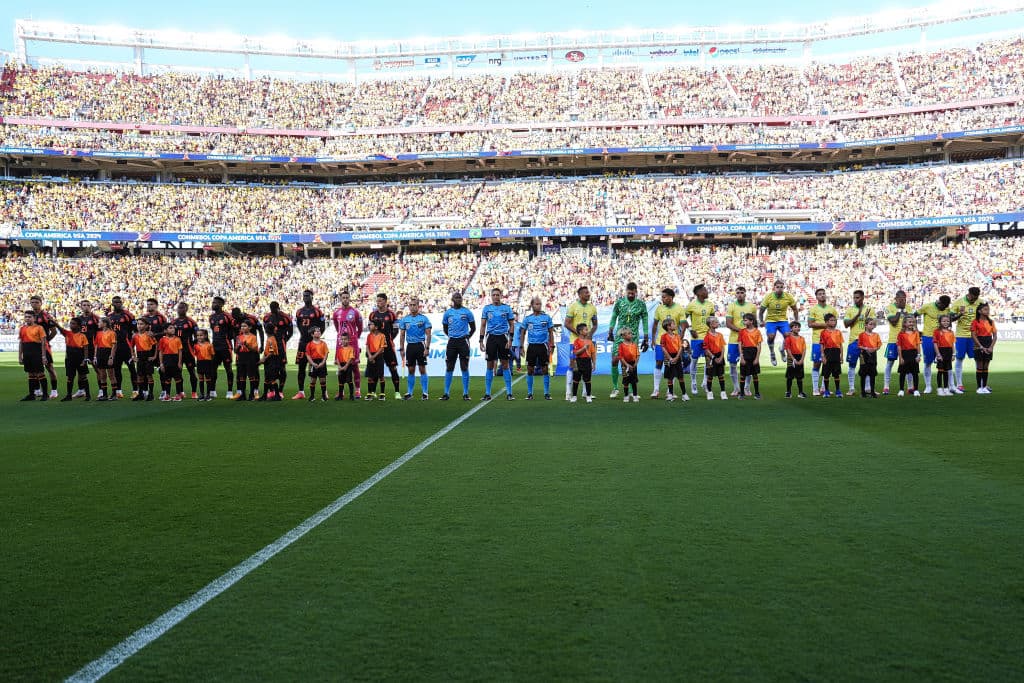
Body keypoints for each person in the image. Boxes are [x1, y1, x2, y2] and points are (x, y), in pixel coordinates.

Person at [607, 282, 649, 398]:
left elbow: (645, 320)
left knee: (631, 362)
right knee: (615, 360)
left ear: (636, 292)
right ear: (626, 291)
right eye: (629, 293)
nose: (631, 294)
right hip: (619, 337)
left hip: (633, 337)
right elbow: (614, 316)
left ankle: (631, 390)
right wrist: (610, 330)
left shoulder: (641, 304)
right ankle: (615, 388)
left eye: (633, 293)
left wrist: (646, 337)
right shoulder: (620, 303)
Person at [563, 286, 598, 401]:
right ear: (580, 295)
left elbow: (595, 324)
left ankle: (585, 393)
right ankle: (568, 393)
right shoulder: (573, 306)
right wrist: (578, 334)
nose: (588, 294)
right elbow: (567, 323)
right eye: (586, 293)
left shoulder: (592, 308)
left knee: (586, 366)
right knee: (573, 365)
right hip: (574, 341)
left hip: (587, 342)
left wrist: (590, 334)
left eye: (589, 292)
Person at [479, 288, 515, 401]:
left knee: (505, 364)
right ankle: (487, 393)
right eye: (493, 295)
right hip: (491, 338)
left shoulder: (506, 308)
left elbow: (512, 325)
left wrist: (510, 340)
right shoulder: (487, 309)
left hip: (503, 338)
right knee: (489, 365)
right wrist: (481, 340)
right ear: (491, 296)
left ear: (501, 296)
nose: (495, 297)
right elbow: (483, 325)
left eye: (497, 295)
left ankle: (509, 393)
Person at [650, 287, 685, 398]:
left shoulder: (679, 308)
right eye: (662, 297)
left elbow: (683, 324)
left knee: (672, 365)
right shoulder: (659, 308)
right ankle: (656, 390)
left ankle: (670, 392)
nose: (663, 299)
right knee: (659, 363)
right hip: (661, 341)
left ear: (670, 297)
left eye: (664, 297)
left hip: (674, 342)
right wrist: (652, 338)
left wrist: (681, 337)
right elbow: (655, 324)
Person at [682, 284, 715, 396]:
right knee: (694, 360)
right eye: (705, 290)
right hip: (696, 338)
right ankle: (693, 382)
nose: (707, 291)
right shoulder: (691, 305)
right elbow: (682, 319)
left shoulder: (710, 305)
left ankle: (705, 382)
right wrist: (690, 329)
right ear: (699, 293)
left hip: (708, 337)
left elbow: (713, 320)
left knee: (708, 360)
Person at [441, 292, 475, 401]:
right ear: (452, 299)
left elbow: (473, 327)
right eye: (456, 297)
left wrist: (466, 337)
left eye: (460, 297)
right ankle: (446, 393)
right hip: (452, 342)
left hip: (463, 342)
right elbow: (445, 328)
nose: (459, 299)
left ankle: (465, 393)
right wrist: (452, 336)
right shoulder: (448, 313)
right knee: (449, 367)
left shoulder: (467, 312)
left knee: (464, 366)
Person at [519, 297, 555, 401]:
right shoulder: (527, 318)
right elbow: (522, 332)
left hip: (543, 346)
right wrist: (521, 346)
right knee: (530, 369)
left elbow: (551, 332)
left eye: (540, 304)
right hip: (532, 346)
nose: (538, 306)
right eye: (536, 304)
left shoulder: (547, 317)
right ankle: (530, 393)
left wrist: (552, 345)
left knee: (545, 369)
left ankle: (546, 393)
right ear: (532, 305)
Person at [293, 289, 326, 400]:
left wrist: (316, 337)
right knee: (301, 368)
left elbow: (322, 326)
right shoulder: (299, 312)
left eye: (308, 295)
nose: (305, 297)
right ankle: (301, 392)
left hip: (315, 344)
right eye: (304, 295)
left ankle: (323, 392)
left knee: (319, 368)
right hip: (303, 343)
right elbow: (298, 324)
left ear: (312, 297)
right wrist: (304, 334)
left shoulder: (317, 311)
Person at [950, 287, 984, 392]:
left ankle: (982, 384)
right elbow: (950, 318)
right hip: (962, 335)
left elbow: (984, 316)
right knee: (960, 358)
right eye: (973, 298)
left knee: (979, 359)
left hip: (976, 336)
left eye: (976, 298)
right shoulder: (958, 302)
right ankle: (959, 384)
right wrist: (960, 314)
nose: (974, 300)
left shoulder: (981, 302)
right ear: (968, 294)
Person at [368, 293, 402, 399]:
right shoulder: (372, 315)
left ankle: (397, 392)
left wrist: (389, 339)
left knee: (393, 368)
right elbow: (370, 328)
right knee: (375, 370)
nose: (378, 303)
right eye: (377, 301)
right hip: (375, 347)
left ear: (385, 301)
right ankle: (373, 392)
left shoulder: (391, 314)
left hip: (388, 347)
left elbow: (396, 329)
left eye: (381, 301)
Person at [725, 285, 757, 396]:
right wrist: (741, 331)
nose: (740, 294)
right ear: (735, 294)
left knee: (748, 364)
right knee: (732, 364)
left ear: (745, 294)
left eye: (742, 292)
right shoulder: (731, 306)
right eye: (738, 292)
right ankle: (736, 388)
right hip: (734, 340)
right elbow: (728, 323)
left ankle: (747, 388)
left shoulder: (752, 307)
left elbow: (755, 323)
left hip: (748, 342)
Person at [758, 280, 799, 367]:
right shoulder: (768, 297)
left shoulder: (788, 297)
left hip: (782, 320)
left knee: (788, 335)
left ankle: (781, 349)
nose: (779, 289)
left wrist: (796, 320)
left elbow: (795, 309)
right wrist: (761, 321)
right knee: (771, 336)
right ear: (774, 288)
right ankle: (772, 353)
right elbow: (761, 311)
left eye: (781, 287)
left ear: (783, 288)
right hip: (770, 320)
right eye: (777, 287)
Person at [399, 297, 433, 400]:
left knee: (422, 369)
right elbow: (402, 335)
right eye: (411, 305)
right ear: (408, 306)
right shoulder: (405, 319)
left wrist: (427, 348)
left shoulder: (424, 318)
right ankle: (409, 393)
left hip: (420, 345)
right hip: (410, 346)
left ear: (418, 306)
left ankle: (425, 393)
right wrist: (401, 349)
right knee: (411, 369)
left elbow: (428, 334)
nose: (412, 307)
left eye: (414, 305)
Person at [843, 290, 875, 396]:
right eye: (854, 297)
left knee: (867, 366)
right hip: (854, 341)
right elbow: (846, 324)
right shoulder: (850, 310)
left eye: (857, 297)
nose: (855, 299)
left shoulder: (870, 309)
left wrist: (866, 318)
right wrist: (857, 314)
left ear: (863, 298)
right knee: (852, 365)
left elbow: (874, 324)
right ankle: (851, 388)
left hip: (867, 341)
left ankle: (867, 388)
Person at [917, 295, 951, 394]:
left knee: (946, 363)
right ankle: (928, 386)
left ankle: (949, 387)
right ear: (939, 302)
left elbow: (949, 321)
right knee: (928, 362)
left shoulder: (947, 309)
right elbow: (914, 315)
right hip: (928, 337)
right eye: (943, 306)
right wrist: (916, 329)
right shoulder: (927, 307)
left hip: (942, 337)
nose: (944, 308)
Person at [332, 291, 363, 398]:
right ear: (340, 299)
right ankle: (341, 391)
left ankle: (358, 390)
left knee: (354, 366)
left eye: (347, 297)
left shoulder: (355, 312)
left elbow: (360, 326)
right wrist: (341, 336)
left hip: (353, 343)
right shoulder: (336, 313)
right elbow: (337, 327)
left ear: (349, 299)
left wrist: (355, 337)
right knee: (340, 366)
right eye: (343, 297)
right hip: (340, 343)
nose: (345, 299)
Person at [883, 290, 914, 395]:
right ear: (896, 299)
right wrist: (900, 311)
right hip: (893, 340)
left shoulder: (909, 307)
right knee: (890, 363)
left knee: (909, 363)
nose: (903, 301)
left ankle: (910, 386)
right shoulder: (889, 308)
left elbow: (911, 322)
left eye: (904, 299)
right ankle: (886, 386)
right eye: (901, 299)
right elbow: (893, 321)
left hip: (907, 340)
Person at [807, 288, 837, 396]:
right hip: (817, 340)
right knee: (816, 364)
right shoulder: (813, 309)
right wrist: (826, 325)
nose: (822, 295)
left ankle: (824, 388)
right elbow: (810, 324)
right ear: (816, 297)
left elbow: (835, 323)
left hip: (830, 341)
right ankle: (815, 388)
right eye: (820, 294)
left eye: (824, 293)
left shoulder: (832, 309)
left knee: (827, 365)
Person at [107, 296, 138, 399]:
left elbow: (135, 330)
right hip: (115, 346)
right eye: (115, 302)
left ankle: (135, 390)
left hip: (126, 346)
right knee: (117, 369)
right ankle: (118, 391)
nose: (117, 304)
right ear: (112, 303)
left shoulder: (128, 315)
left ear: (121, 303)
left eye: (119, 302)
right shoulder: (109, 316)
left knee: (132, 369)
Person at [28, 295, 59, 398]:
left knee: (49, 367)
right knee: (35, 368)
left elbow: (54, 331)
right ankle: (37, 390)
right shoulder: (29, 316)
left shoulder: (46, 316)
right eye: (32, 302)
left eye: (36, 302)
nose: (34, 304)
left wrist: (45, 341)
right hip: (32, 346)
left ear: (41, 303)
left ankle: (54, 390)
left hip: (44, 346)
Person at [54, 317, 91, 401]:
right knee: (70, 377)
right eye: (71, 323)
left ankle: (88, 395)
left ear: (79, 326)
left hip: (80, 359)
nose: (71, 325)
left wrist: (85, 359)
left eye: (73, 323)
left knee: (83, 376)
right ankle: (69, 395)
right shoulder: (67, 333)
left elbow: (85, 348)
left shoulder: (82, 336)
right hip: (69, 359)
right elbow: (60, 328)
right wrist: (54, 322)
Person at [262, 301, 293, 396]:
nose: (272, 311)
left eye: (274, 309)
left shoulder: (285, 317)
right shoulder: (267, 317)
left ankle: (280, 390)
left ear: (278, 308)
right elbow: (265, 329)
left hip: (280, 344)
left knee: (282, 368)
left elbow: (290, 332)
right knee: (269, 367)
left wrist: (284, 340)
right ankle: (271, 391)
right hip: (270, 342)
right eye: (271, 309)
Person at [170, 302, 200, 399]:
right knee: (177, 372)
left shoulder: (191, 322)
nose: (180, 310)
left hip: (188, 351)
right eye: (178, 308)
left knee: (191, 371)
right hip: (176, 351)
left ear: (186, 309)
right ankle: (180, 392)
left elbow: (197, 336)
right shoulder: (173, 322)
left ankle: (194, 392)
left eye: (182, 308)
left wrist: (192, 345)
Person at [209, 296, 236, 399]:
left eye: (215, 303)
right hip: (215, 346)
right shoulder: (211, 317)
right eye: (213, 302)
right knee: (212, 369)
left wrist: (233, 340)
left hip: (226, 346)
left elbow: (234, 330)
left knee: (228, 368)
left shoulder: (227, 316)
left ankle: (229, 391)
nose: (213, 304)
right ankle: (212, 390)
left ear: (221, 305)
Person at [18, 311, 47, 402]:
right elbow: (21, 343)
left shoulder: (39, 328)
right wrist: (20, 356)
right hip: (27, 354)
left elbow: (43, 343)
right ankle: (31, 395)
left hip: (36, 353)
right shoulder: (22, 328)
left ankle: (45, 395)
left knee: (40, 374)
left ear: (34, 318)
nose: (27, 318)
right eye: (26, 317)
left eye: (29, 317)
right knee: (30, 374)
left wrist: (43, 356)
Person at [75, 300, 101, 398]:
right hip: (80, 348)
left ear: (91, 306)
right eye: (84, 305)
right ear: (81, 307)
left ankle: (102, 390)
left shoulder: (95, 318)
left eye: (88, 305)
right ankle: (81, 390)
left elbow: (100, 333)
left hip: (92, 347)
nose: (86, 307)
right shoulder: (78, 319)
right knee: (80, 369)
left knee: (98, 369)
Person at [970, 303, 996, 394]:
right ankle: (979, 388)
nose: (987, 311)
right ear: (979, 311)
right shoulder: (975, 322)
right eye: (985, 309)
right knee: (980, 366)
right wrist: (980, 346)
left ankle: (984, 386)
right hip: (979, 343)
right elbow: (973, 335)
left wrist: (991, 347)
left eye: (988, 309)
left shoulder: (991, 322)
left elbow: (995, 336)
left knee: (986, 367)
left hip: (988, 343)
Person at [129, 318, 158, 401]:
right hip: (139, 356)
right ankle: (140, 394)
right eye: (138, 324)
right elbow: (131, 346)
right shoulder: (135, 336)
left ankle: (151, 394)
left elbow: (156, 345)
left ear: (146, 326)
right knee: (139, 376)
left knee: (149, 375)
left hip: (148, 356)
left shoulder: (149, 335)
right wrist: (133, 356)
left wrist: (154, 356)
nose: (139, 326)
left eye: (141, 324)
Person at [659, 318, 686, 401]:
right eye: (673, 324)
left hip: (677, 357)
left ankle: (684, 394)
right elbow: (663, 348)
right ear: (668, 326)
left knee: (680, 376)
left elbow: (680, 347)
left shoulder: (677, 336)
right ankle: (670, 394)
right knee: (670, 377)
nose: (675, 325)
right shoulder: (664, 336)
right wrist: (670, 358)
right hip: (668, 357)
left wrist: (677, 357)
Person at [738, 313, 763, 400]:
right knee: (743, 375)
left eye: (745, 320)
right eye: (744, 320)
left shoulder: (757, 332)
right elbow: (740, 344)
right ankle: (741, 393)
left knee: (755, 374)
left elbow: (759, 345)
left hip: (753, 353)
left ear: (751, 321)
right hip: (745, 353)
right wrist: (741, 356)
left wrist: (757, 358)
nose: (744, 321)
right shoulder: (742, 331)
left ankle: (757, 393)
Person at [233, 321, 261, 401]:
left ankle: (252, 394)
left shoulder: (253, 337)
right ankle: (242, 395)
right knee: (242, 377)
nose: (242, 328)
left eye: (245, 326)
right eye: (242, 326)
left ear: (250, 327)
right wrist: (238, 346)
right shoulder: (238, 337)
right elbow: (235, 351)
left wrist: (247, 345)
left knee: (251, 376)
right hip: (241, 357)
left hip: (250, 357)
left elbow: (255, 349)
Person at [702, 317, 728, 400]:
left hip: (720, 356)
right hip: (711, 357)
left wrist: (721, 357)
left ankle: (723, 392)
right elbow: (706, 349)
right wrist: (713, 358)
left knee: (721, 375)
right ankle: (709, 392)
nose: (717, 323)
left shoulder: (720, 335)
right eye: (715, 322)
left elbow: (723, 347)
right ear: (710, 324)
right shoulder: (707, 336)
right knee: (710, 376)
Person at [896, 316, 922, 397]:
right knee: (902, 373)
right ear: (904, 323)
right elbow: (899, 346)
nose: (911, 323)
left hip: (914, 354)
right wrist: (900, 358)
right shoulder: (901, 334)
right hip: (904, 354)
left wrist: (918, 355)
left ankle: (916, 390)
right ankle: (901, 390)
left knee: (915, 373)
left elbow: (918, 345)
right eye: (909, 322)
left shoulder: (916, 333)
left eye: (912, 322)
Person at [157, 323, 184, 401]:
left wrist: (179, 362)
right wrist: (161, 363)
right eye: (170, 328)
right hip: (166, 360)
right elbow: (160, 352)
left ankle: (178, 394)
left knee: (177, 378)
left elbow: (180, 351)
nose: (173, 329)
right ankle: (167, 395)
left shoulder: (177, 339)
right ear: (165, 330)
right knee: (167, 379)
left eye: (173, 328)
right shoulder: (162, 340)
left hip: (175, 359)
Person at [819, 314, 844, 398]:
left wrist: (841, 356)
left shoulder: (838, 332)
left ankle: (838, 390)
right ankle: (826, 390)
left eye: (834, 320)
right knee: (826, 374)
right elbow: (822, 345)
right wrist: (823, 356)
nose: (834, 322)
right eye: (831, 320)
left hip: (836, 353)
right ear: (826, 322)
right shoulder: (823, 332)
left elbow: (840, 345)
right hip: (827, 353)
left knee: (836, 374)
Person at [570, 323, 596, 403]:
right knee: (576, 379)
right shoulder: (576, 341)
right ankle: (574, 396)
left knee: (588, 380)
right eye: (586, 329)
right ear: (580, 331)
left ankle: (588, 396)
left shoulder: (590, 342)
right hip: (578, 362)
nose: (587, 331)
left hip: (587, 362)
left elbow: (593, 353)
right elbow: (576, 353)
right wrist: (584, 348)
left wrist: (594, 363)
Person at [857, 318, 882, 398]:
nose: (872, 326)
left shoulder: (876, 335)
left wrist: (875, 349)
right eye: (870, 324)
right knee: (863, 374)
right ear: (865, 325)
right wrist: (866, 348)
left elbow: (879, 345)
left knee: (872, 374)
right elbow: (859, 345)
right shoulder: (861, 335)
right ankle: (863, 392)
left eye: (873, 324)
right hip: (864, 355)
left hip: (873, 356)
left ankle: (872, 392)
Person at [932, 315, 957, 396]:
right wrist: (938, 354)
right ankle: (939, 389)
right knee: (940, 371)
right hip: (941, 351)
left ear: (950, 322)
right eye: (943, 321)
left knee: (946, 371)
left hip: (949, 352)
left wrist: (954, 354)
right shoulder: (936, 331)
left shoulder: (951, 332)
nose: (945, 323)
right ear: (940, 322)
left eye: (947, 321)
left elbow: (952, 344)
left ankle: (946, 389)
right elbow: (935, 344)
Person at [93, 317, 117, 401]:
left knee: (111, 375)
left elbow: (114, 346)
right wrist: (95, 356)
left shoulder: (112, 333)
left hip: (108, 353)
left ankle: (114, 395)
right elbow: (96, 345)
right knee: (102, 375)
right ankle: (105, 395)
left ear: (105, 323)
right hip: (100, 353)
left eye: (100, 322)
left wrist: (111, 357)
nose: (98, 324)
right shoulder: (98, 333)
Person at [364, 320, 388, 400]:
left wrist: (373, 356)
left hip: (378, 356)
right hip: (371, 356)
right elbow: (367, 346)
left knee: (381, 376)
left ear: (376, 327)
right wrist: (370, 356)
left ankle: (382, 394)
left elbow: (381, 348)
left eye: (371, 324)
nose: (369, 325)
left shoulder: (382, 336)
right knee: (370, 376)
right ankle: (370, 393)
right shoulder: (369, 336)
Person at [304, 326, 330, 402]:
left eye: (319, 331)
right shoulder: (309, 344)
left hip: (322, 362)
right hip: (313, 362)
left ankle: (324, 396)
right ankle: (312, 396)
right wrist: (312, 363)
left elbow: (326, 354)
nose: (319, 332)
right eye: (316, 331)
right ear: (312, 334)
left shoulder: (323, 343)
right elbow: (308, 355)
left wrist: (323, 362)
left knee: (322, 380)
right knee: (313, 380)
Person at [258, 329, 284, 401]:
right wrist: (263, 359)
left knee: (272, 378)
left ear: (266, 331)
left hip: (272, 360)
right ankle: (266, 395)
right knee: (267, 378)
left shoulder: (271, 339)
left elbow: (271, 352)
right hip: (270, 360)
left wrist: (264, 359)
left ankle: (277, 396)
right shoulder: (271, 339)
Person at [783, 321, 807, 399]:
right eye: (795, 327)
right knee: (790, 376)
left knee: (799, 376)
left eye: (798, 327)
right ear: (791, 328)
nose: (797, 328)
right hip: (791, 358)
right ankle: (788, 392)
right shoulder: (788, 338)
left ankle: (800, 392)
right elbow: (788, 349)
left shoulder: (802, 338)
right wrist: (793, 359)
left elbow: (804, 350)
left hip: (800, 357)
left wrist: (802, 360)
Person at [618, 327, 640, 403]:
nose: (631, 335)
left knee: (634, 381)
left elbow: (638, 355)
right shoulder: (621, 345)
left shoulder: (634, 345)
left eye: (631, 333)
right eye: (629, 333)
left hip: (633, 365)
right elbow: (621, 357)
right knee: (625, 381)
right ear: (623, 336)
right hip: (625, 366)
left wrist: (635, 364)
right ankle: (626, 396)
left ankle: (635, 395)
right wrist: (627, 365)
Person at [192, 329, 215, 401]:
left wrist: (211, 362)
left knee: (208, 379)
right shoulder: (195, 345)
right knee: (201, 379)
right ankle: (202, 395)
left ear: (205, 336)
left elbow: (212, 355)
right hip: (200, 363)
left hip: (208, 363)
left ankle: (208, 395)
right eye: (197, 335)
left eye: (201, 335)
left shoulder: (209, 345)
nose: (199, 337)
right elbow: (195, 354)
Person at [334, 333, 357, 401]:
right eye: (342, 339)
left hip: (348, 366)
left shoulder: (351, 348)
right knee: (341, 382)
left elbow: (350, 358)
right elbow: (337, 358)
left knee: (349, 381)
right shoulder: (339, 349)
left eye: (345, 339)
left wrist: (345, 366)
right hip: (341, 365)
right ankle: (340, 396)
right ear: (340, 340)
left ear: (349, 340)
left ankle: (351, 395)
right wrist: (339, 366)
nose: (343, 341)